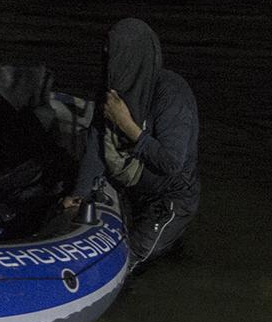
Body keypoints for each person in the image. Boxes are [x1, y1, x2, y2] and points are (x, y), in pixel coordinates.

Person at [76, 17, 199, 266]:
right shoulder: (112, 90)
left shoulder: (170, 93)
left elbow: (171, 162)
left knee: (127, 264)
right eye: (107, 52)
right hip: (132, 190)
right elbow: (97, 140)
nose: (109, 60)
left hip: (170, 197)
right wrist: (79, 193)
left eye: (116, 53)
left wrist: (127, 125)